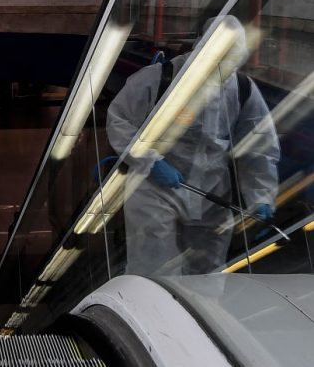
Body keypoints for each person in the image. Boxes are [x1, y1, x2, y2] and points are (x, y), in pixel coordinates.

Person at [106, 16, 280, 275]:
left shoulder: (242, 88)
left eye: (230, 64)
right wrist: (150, 161)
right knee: (154, 268)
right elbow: (119, 120)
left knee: (208, 274)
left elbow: (259, 147)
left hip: (213, 194)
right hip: (155, 190)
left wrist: (261, 196)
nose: (222, 72)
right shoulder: (160, 79)